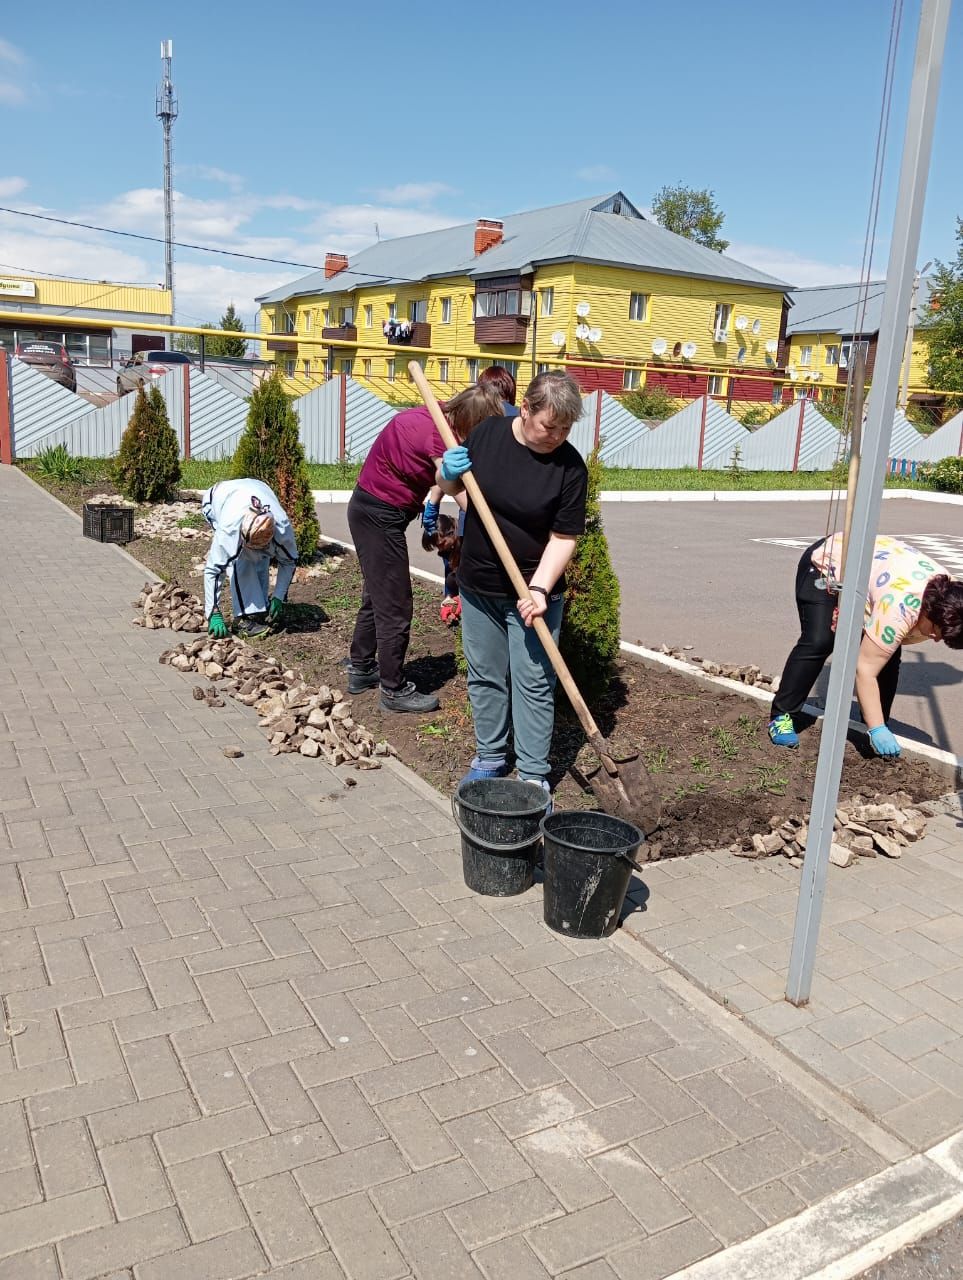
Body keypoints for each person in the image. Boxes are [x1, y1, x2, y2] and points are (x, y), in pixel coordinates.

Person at [438, 370, 588, 804]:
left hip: (534, 594)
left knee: (534, 682)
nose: (556, 435)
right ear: (525, 409)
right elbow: (453, 487)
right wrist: (448, 474)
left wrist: (539, 589)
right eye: (549, 425)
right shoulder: (487, 434)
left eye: (565, 428)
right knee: (485, 675)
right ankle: (489, 756)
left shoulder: (569, 468)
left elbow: (564, 537)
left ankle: (534, 773)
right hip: (480, 582)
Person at [345, 383, 504, 713]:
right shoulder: (438, 436)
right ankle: (393, 689)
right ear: (471, 421)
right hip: (378, 514)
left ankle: (361, 669)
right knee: (395, 604)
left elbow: (438, 480)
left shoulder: (439, 414)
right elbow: (461, 493)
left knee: (378, 595)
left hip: (371, 508)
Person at [768, 533, 963, 755]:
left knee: (886, 655)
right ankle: (781, 715)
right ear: (930, 612)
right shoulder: (900, 609)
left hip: (873, 576)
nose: (936, 639)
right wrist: (877, 729)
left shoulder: (953, 598)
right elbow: (865, 669)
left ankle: (872, 721)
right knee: (820, 640)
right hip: (830, 564)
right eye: (937, 632)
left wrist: (876, 724)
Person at [422, 366, 518, 614]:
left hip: (486, 527)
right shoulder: (512, 422)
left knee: (471, 578)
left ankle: (457, 602)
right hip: (493, 526)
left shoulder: (500, 425)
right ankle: (458, 602)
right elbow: (446, 479)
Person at [202, 478, 299, 639]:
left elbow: (289, 561)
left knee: (259, 558)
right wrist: (213, 612)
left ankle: (257, 608)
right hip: (216, 500)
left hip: (254, 488)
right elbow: (214, 570)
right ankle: (243, 621)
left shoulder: (281, 527)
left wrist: (278, 596)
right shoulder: (229, 530)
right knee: (241, 561)